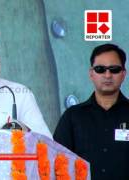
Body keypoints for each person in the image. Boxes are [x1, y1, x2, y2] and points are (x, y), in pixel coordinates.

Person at [54, 43, 129, 180]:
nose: (107, 75)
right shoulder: (72, 116)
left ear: (123, 74)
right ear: (91, 74)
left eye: (114, 69)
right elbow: (57, 162)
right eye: (100, 69)